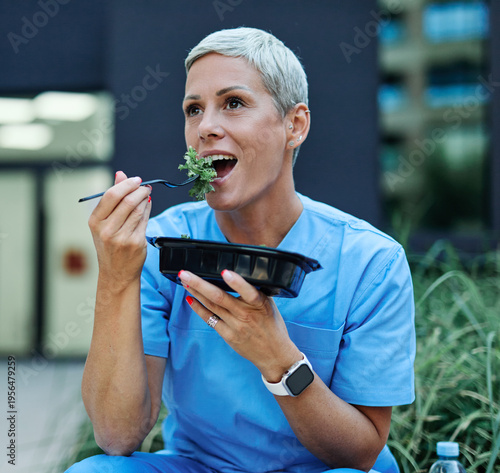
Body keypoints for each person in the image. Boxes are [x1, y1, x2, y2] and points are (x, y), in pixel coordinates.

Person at [66, 27, 415, 473]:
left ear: (295, 125)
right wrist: (117, 277)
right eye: (194, 110)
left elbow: (361, 453)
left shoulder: (371, 263)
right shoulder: (160, 245)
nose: (206, 127)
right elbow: (118, 435)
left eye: (233, 103)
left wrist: (279, 359)